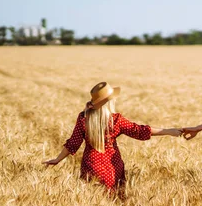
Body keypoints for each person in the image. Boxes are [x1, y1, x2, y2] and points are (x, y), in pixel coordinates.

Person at [43, 82, 182, 193]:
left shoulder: (83, 118)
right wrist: (168, 131)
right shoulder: (116, 120)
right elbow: (139, 131)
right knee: (115, 201)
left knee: (92, 203)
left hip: (91, 165)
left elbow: (73, 143)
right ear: (109, 103)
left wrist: (57, 159)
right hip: (112, 167)